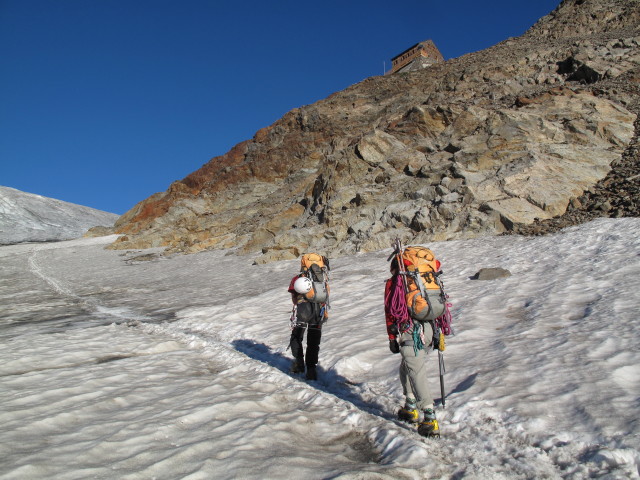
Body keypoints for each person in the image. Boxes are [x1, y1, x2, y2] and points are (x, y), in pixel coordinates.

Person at [384, 258, 440, 437]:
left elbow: (390, 311)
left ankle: (429, 417)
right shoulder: (425, 279)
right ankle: (410, 406)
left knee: (416, 372)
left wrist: (392, 337)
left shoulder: (396, 284)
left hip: (411, 331)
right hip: (429, 328)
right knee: (406, 368)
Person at [288, 259, 328, 381]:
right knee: (313, 342)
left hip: (303, 311)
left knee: (296, 336)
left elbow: (294, 297)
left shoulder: (298, 278)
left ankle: (298, 363)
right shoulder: (323, 279)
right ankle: (311, 370)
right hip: (318, 312)